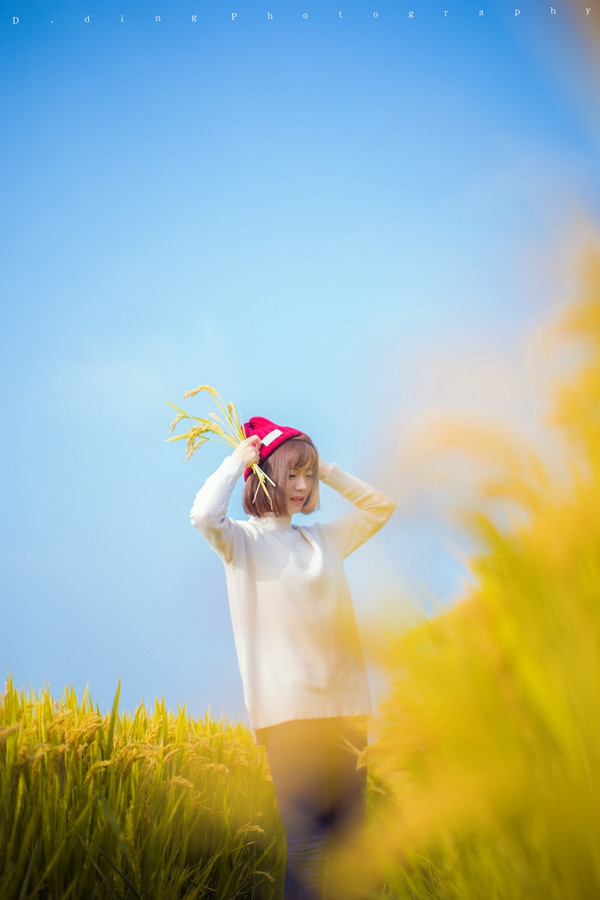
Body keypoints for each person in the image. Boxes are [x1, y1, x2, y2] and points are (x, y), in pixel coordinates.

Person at [190, 416, 395, 900]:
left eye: (309, 475)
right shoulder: (241, 543)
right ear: (265, 476)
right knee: (307, 848)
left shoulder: (323, 540)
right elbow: (202, 516)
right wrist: (234, 461)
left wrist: (330, 468)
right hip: (291, 718)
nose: (302, 486)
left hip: (346, 711)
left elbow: (380, 507)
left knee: (350, 846)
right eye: (293, 474)